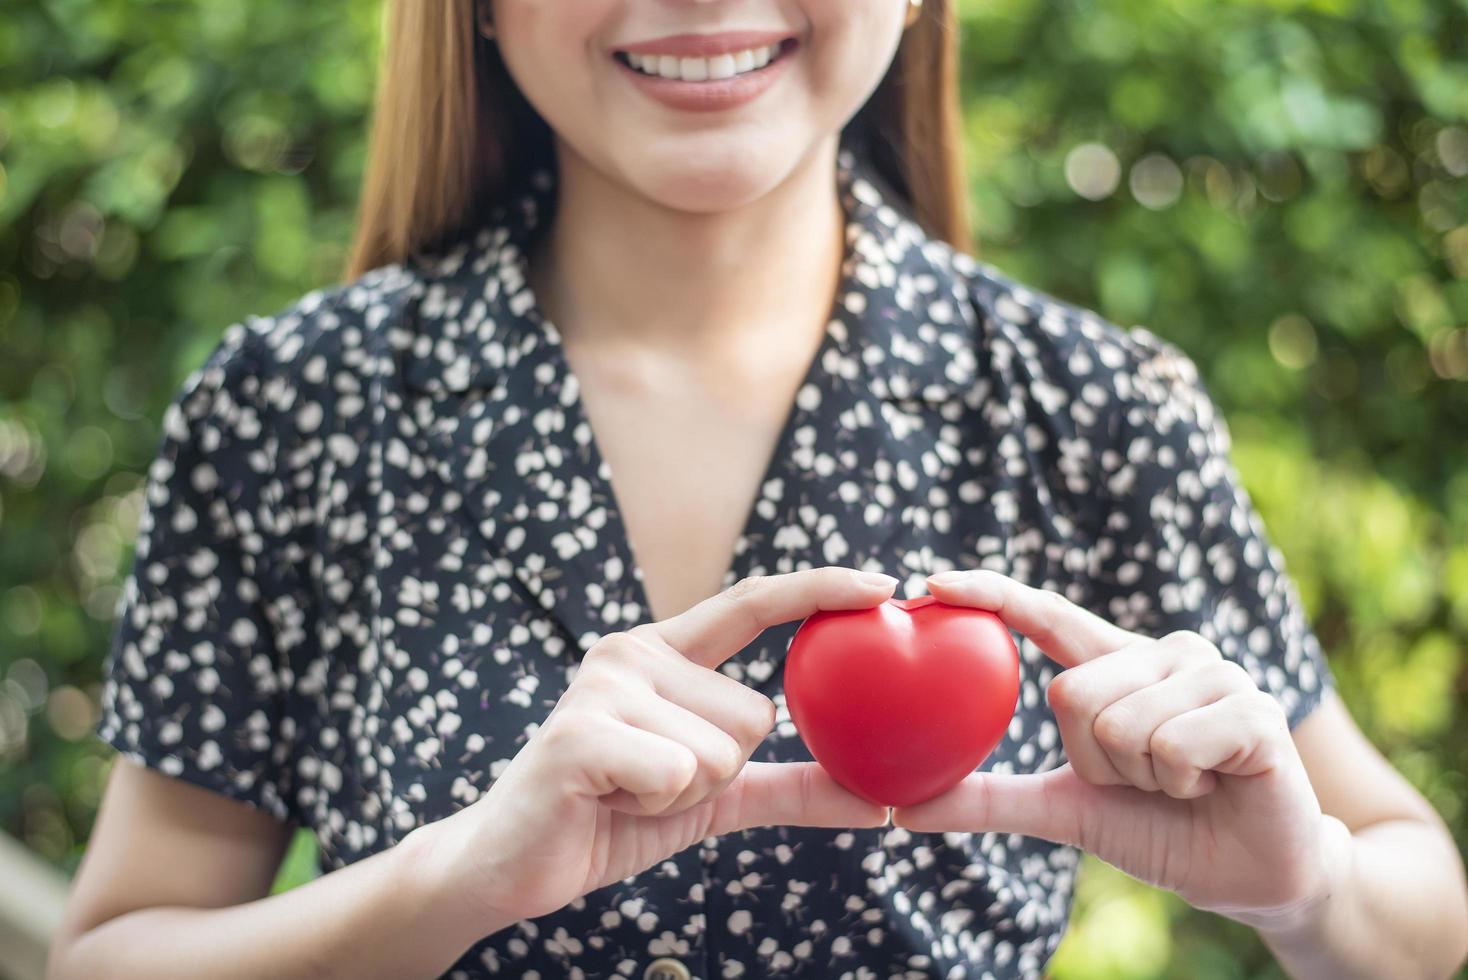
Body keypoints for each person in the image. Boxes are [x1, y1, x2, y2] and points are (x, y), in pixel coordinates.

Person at [47, 0, 1468, 978]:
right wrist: (451, 882)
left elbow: (1417, 896)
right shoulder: (286, 411)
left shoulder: (1096, 413)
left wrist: (1311, 892)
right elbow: (111, 953)